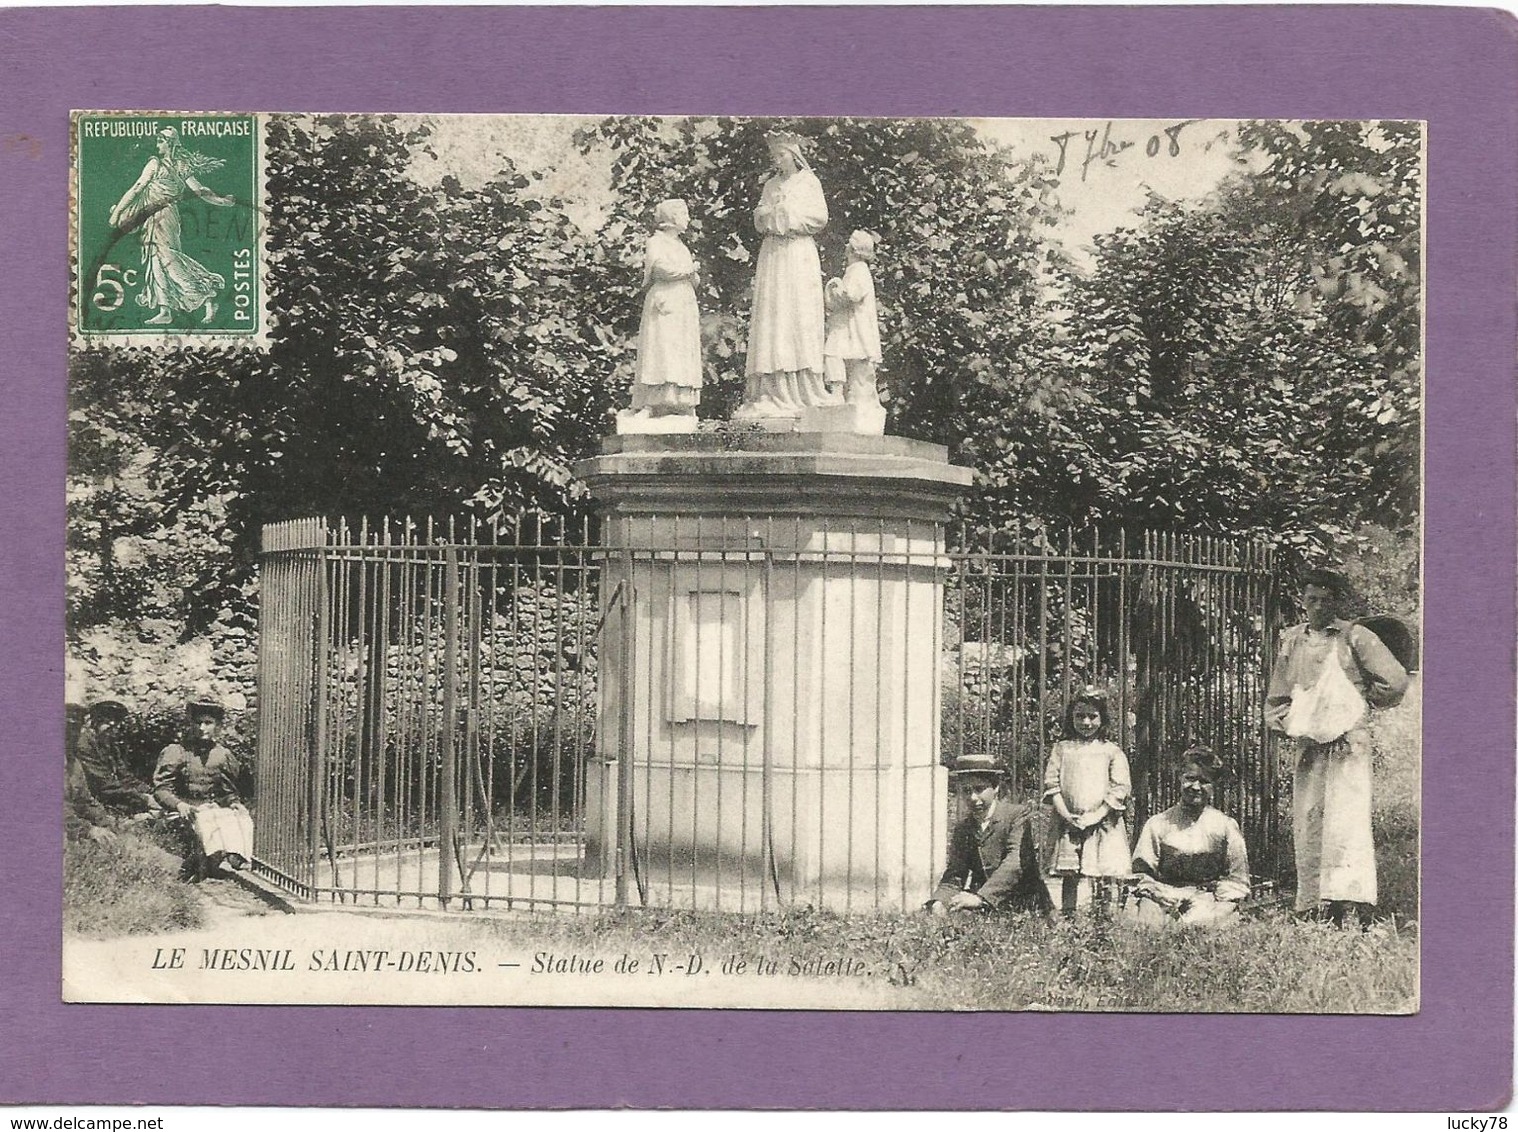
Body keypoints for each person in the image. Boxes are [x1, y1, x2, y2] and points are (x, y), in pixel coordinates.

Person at [1266, 568, 1408, 928]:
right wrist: (1288, 722)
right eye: (1310, 599)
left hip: (1349, 745)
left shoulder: (1355, 637)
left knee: (1348, 821)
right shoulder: (1291, 641)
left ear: (1337, 601)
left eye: (1324, 600)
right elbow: (1278, 694)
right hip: (1311, 745)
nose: (1315, 607)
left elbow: (1394, 681)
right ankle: (1313, 903)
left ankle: (1352, 904)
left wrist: (1358, 704)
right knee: (1310, 819)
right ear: (1303, 600)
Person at [735, 131, 837, 419]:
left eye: (781, 155)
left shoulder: (809, 182)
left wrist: (785, 213)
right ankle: (770, 388)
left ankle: (805, 387)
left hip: (798, 253)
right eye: (774, 156)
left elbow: (819, 217)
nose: (777, 160)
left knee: (799, 317)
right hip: (774, 255)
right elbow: (759, 216)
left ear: (793, 154)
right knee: (774, 316)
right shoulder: (770, 185)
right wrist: (769, 214)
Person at [108, 127, 236, 326]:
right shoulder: (177, 165)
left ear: (169, 143)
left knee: (167, 258)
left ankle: (207, 292)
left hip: (164, 217)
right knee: (155, 261)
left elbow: (137, 188)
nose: (157, 145)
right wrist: (221, 201)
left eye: (160, 141)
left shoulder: (157, 164)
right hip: (155, 217)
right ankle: (165, 309)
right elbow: (200, 191)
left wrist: (117, 213)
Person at [1127, 746, 1252, 928]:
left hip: (1207, 897)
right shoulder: (1158, 823)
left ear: (1213, 786)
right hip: (1164, 895)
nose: (1195, 787)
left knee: (1202, 927)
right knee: (1149, 926)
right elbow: (1141, 873)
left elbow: (1237, 879)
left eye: (1204, 781)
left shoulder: (1225, 826)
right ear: (1180, 778)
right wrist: (1158, 894)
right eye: (1190, 779)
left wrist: (1220, 903)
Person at [926, 753, 1051, 915]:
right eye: (966, 791)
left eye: (979, 789)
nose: (973, 798)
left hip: (1025, 905)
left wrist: (980, 898)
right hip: (984, 905)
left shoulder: (1016, 816)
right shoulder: (963, 828)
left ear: (996, 788)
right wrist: (939, 901)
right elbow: (955, 873)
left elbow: (1014, 864)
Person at [1043, 689, 1132, 915]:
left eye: (1092, 716)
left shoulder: (1110, 751)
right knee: (1070, 874)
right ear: (1071, 718)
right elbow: (1051, 785)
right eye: (1079, 716)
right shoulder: (1062, 749)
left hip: (1103, 822)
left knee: (1106, 871)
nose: (1085, 722)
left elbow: (1120, 787)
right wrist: (1066, 816)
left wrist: (1097, 815)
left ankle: (1106, 920)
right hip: (1069, 822)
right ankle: (1070, 917)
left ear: (1102, 719)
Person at [153, 700, 253, 880]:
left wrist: (234, 802)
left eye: (208, 723)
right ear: (190, 724)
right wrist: (179, 804)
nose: (202, 728)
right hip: (183, 810)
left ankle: (235, 856)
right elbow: (161, 789)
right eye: (198, 723)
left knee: (238, 817)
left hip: (210, 808)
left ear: (218, 726)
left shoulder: (222, 755)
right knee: (205, 822)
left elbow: (227, 791)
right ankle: (199, 863)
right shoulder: (177, 752)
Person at [628, 199, 703, 418]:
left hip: (683, 301)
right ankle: (654, 403)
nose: (688, 218)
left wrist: (690, 273)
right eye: (684, 214)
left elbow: (694, 279)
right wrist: (688, 270)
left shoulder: (682, 246)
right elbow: (660, 269)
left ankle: (682, 401)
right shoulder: (657, 242)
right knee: (661, 349)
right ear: (672, 217)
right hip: (665, 299)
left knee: (682, 349)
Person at [823, 229, 884, 407]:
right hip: (847, 325)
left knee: (832, 352)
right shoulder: (855, 270)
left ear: (855, 249)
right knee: (839, 356)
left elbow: (851, 295)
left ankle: (836, 393)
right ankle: (842, 394)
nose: (846, 247)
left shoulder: (859, 270)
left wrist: (833, 285)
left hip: (852, 327)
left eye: (849, 243)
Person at [74, 699, 155, 816]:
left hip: (116, 797)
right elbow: (103, 785)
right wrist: (143, 798)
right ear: (95, 722)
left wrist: (151, 792)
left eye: (116, 725)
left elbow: (125, 776)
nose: (114, 731)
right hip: (95, 801)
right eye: (109, 724)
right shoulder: (84, 745)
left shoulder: (109, 743)